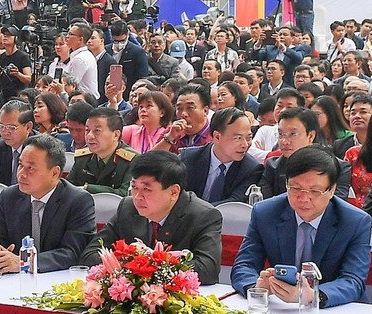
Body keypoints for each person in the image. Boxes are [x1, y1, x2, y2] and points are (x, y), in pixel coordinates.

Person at [231, 144, 372, 306]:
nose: (304, 199)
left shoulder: (355, 222)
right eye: (296, 188)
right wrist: (258, 287)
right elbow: (243, 266)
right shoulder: (265, 213)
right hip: (280, 306)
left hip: (335, 310)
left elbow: (353, 280)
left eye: (314, 191)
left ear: (332, 190)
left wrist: (312, 296)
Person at [80, 149, 225, 286]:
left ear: (173, 192)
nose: (137, 197)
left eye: (146, 189)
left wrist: (147, 263)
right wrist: (133, 266)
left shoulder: (204, 216)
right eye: (134, 187)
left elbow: (208, 270)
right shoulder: (127, 207)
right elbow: (90, 254)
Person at [0, 134, 98, 273]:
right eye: (20, 165)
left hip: (57, 282)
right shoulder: (9, 196)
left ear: (55, 173)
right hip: (15, 281)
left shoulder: (78, 201)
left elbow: (72, 253)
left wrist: (24, 263)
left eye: (31, 168)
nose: (21, 174)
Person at [180, 107, 266, 204]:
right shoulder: (189, 158)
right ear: (217, 137)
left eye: (248, 138)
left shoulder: (251, 169)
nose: (245, 144)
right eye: (238, 138)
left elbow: (234, 203)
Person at [66, 107, 135, 194]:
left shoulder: (132, 160)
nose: (90, 136)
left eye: (97, 131)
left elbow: (125, 193)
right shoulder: (82, 157)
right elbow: (67, 188)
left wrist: (87, 188)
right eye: (87, 130)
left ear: (116, 135)